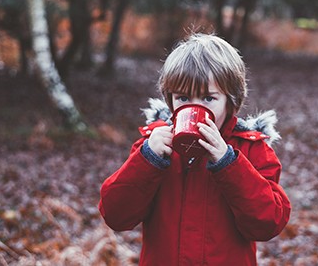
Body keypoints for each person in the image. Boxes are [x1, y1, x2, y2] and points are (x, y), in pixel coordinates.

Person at [99, 33, 291, 265]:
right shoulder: (155, 146)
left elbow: (268, 223)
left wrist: (229, 163)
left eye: (208, 99)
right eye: (183, 98)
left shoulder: (251, 150)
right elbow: (116, 216)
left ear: (231, 101)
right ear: (170, 100)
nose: (194, 107)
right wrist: (147, 159)